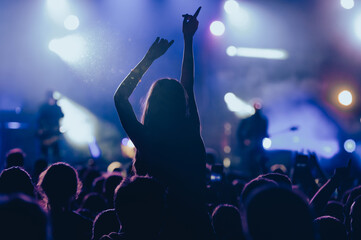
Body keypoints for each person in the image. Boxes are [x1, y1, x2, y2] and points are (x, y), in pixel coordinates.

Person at [114, 7, 214, 239]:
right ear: (183, 105)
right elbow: (187, 86)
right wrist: (188, 40)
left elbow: (120, 98)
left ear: (151, 105)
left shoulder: (147, 141)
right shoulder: (190, 134)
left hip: (159, 230)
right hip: (196, 228)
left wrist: (148, 60)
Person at [37, 91, 64, 162]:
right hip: (45, 132)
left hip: (54, 132)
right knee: (44, 153)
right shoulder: (43, 107)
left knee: (56, 152)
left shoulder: (57, 107)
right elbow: (39, 118)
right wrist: (41, 129)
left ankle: (56, 166)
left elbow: (62, 115)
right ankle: (43, 167)